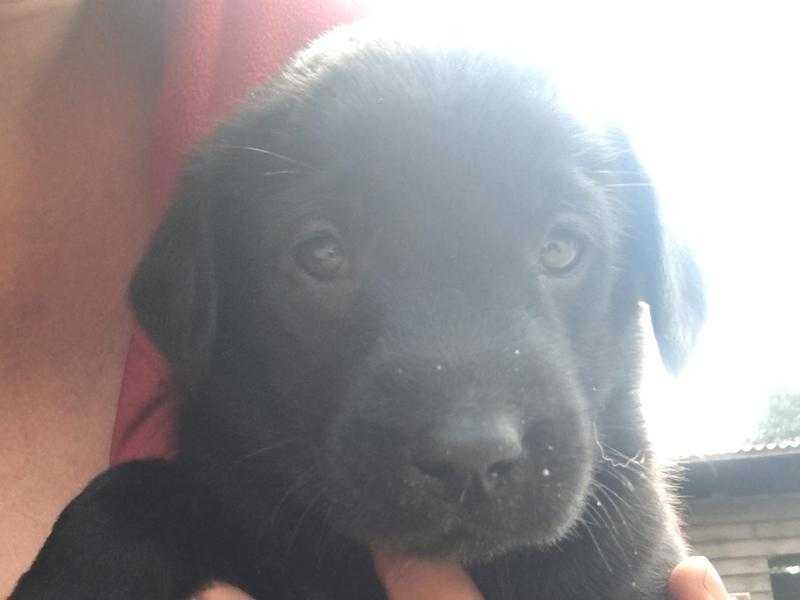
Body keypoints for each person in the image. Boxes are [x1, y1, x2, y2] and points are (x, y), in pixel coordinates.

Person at [0, 2, 733, 599]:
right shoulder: (146, 535)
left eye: (561, 249)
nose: (470, 431)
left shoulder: (625, 569)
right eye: (324, 254)